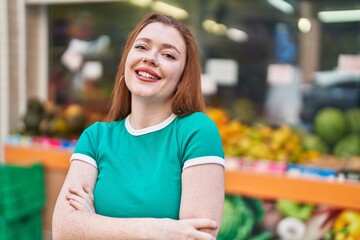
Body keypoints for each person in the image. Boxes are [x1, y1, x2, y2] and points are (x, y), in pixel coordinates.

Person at [52, 12, 225, 240]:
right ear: (127, 59)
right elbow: (63, 230)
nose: (151, 58)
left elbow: (197, 237)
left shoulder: (196, 131)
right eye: (142, 47)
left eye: (168, 55)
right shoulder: (95, 138)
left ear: (184, 76)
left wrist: (92, 223)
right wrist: (157, 230)